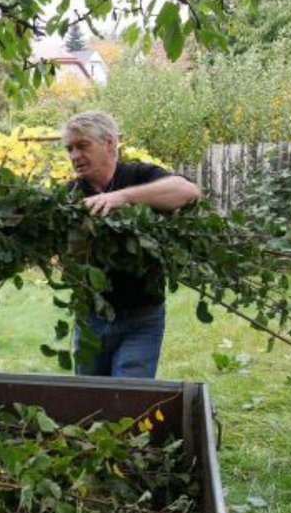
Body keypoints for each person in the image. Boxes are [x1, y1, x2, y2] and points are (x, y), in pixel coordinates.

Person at [62, 111, 200, 378]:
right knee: (88, 400)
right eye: (69, 148)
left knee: (129, 402)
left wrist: (122, 197)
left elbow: (188, 192)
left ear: (109, 143)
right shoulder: (70, 196)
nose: (74, 156)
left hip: (142, 316)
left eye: (82, 145)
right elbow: (69, 258)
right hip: (91, 316)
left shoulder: (139, 174)